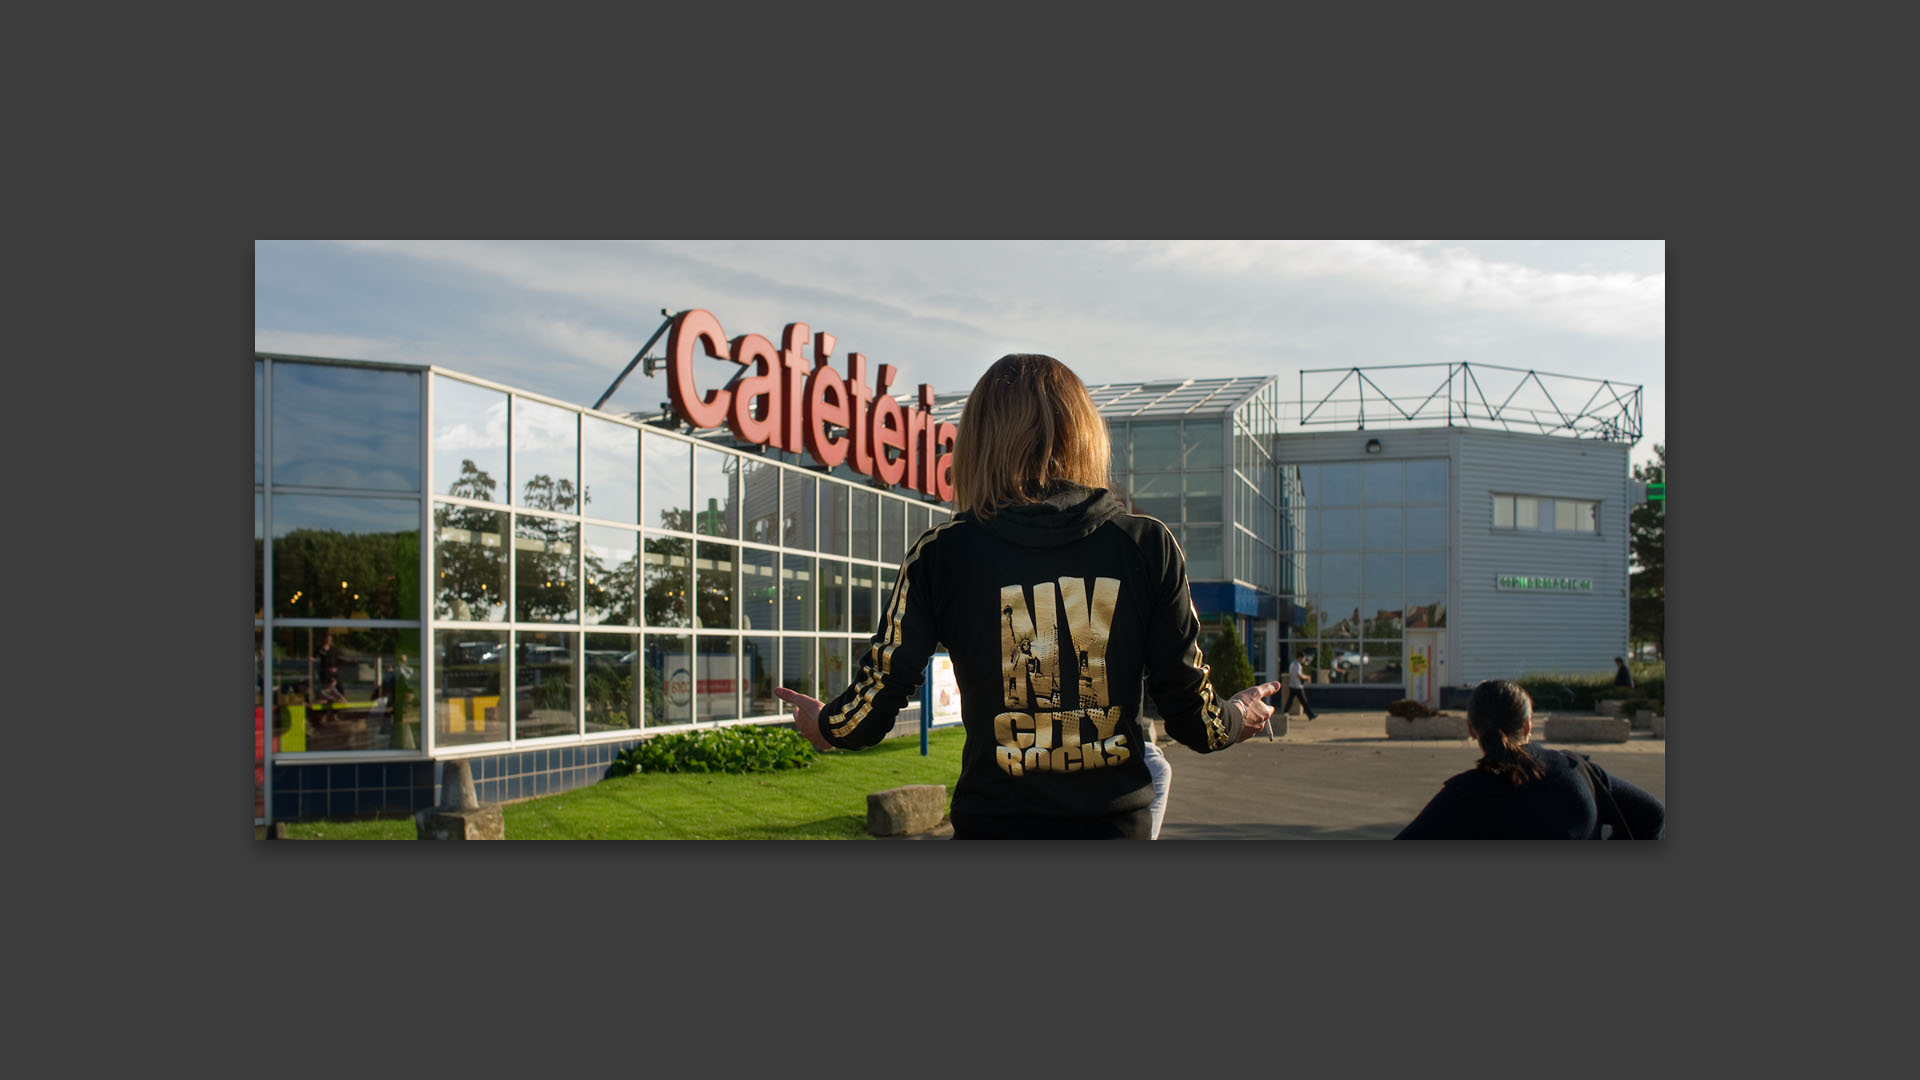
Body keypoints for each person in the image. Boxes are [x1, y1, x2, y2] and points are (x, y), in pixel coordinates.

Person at [776, 353, 1280, 839]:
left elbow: (877, 696)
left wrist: (826, 725)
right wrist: (1240, 713)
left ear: (977, 441)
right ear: (1084, 433)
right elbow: (1199, 722)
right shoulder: (1147, 545)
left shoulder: (942, 554)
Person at [1395, 679, 1664, 840]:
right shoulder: (1578, 772)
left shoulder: (1462, 796)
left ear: (1471, 730)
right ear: (1528, 726)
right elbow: (1652, 814)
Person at [1283, 651, 1318, 720]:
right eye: (1304, 658)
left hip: (1293, 685)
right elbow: (1299, 675)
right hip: (1297, 686)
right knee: (1303, 701)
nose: (1304, 660)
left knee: (1291, 700)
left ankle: (1285, 713)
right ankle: (1310, 715)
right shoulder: (1297, 665)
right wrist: (1307, 677)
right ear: (1300, 657)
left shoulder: (1293, 664)